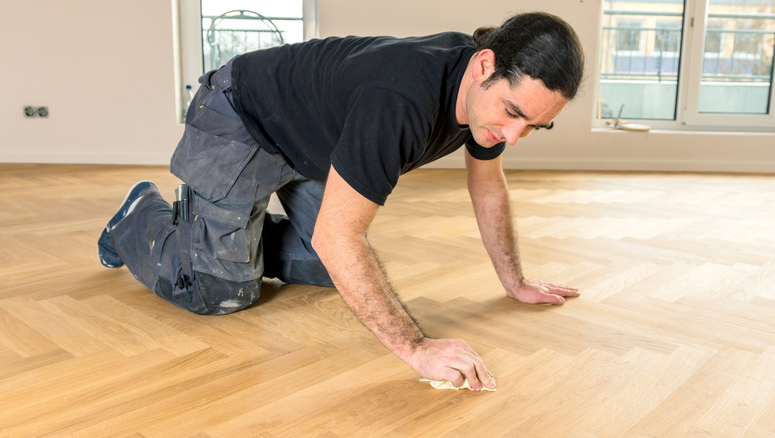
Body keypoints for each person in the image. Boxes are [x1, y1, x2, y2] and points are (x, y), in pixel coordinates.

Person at [98, 11, 584, 391]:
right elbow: (338, 234)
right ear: (484, 67)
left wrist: (514, 281)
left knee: (339, 269)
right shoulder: (401, 99)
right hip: (244, 117)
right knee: (218, 293)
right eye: (513, 114)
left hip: (313, 146)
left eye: (533, 127)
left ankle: (225, 234)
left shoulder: (485, 99)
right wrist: (416, 349)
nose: (514, 136)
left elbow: (488, 185)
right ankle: (141, 216)